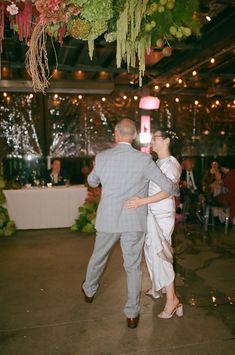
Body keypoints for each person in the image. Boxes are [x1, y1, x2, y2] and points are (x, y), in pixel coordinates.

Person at [82, 119, 179, 329]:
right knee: (133, 267)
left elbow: (91, 182)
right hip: (134, 221)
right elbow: (169, 187)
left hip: (108, 220)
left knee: (98, 256)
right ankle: (132, 314)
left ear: (116, 134)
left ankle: (89, 290)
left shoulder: (103, 157)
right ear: (134, 136)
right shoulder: (144, 160)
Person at [124, 128, 183, 319]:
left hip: (161, 214)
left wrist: (141, 202)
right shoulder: (158, 162)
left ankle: (172, 300)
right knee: (151, 251)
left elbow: (167, 192)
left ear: (166, 141)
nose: (152, 142)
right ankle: (160, 287)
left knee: (161, 253)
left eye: (155, 138)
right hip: (151, 212)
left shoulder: (172, 164)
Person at [217, 160, 235, 227]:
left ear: (224, 168)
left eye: (221, 168)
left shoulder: (228, 175)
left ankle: (222, 220)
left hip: (229, 198)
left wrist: (220, 184)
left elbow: (225, 191)